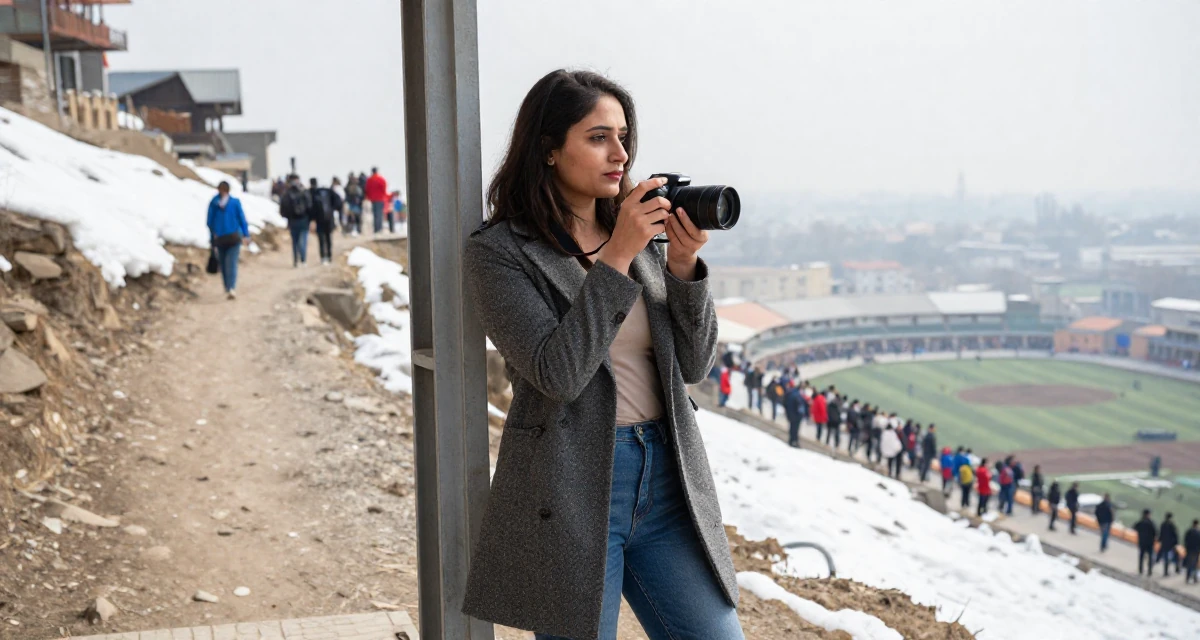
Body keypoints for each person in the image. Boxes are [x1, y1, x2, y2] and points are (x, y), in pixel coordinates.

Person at [461, 70, 745, 639]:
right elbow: (556, 374)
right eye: (597, 138)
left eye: (623, 136)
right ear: (548, 150)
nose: (620, 153)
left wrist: (685, 271)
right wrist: (616, 258)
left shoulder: (637, 233)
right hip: (573, 486)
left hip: (667, 475)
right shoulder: (500, 253)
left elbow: (694, 366)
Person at [205, 181, 250, 299]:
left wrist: (212, 238)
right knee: (229, 263)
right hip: (231, 237)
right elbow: (242, 219)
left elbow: (210, 222)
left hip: (223, 238)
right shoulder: (231, 203)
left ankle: (229, 287)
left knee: (227, 263)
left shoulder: (215, 203)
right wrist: (246, 235)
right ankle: (230, 287)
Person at [279, 174, 312, 267]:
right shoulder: (304, 191)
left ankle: (295, 261)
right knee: (303, 240)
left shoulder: (286, 193)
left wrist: (287, 217)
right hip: (304, 220)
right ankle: (303, 259)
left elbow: (283, 209)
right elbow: (309, 206)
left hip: (292, 220)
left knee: (295, 241)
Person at [308, 178, 343, 265]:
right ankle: (329, 256)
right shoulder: (330, 192)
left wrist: (312, 219)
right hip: (329, 219)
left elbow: (311, 207)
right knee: (328, 238)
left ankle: (323, 256)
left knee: (321, 239)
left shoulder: (315, 193)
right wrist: (333, 210)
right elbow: (339, 202)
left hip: (319, 220)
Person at [365, 167, 389, 234]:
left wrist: (369, 197)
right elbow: (384, 188)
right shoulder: (381, 179)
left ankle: (376, 229)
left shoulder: (369, 180)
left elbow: (367, 190)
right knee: (379, 214)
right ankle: (379, 229)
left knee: (375, 215)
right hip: (380, 199)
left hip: (372, 199)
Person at [1134, 509, 1157, 576]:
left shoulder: (1141, 522)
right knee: (1150, 557)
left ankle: (1141, 569)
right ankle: (1149, 571)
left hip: (1142, 541)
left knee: (1141, 556)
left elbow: (1135, 527)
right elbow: (1155, 532)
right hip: (1149, 542)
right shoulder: (1151, 523)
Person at [784, 382, 805, 448]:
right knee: (795, 429)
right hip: (795, 415)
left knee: (792, 428)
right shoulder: (796, 395)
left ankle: (791, 440)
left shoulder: (789, 393)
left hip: (790, 414)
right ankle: (794, 441)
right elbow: (799, 406)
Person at [1184, 519, 1200, 584]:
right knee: (1195, 564)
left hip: (1189, 550)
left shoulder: (1189, 531)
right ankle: (1194, 578)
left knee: (1189, 564)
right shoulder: (1198, 532)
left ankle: (1188, 577)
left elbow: (1186, 540)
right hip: (1196, 550)